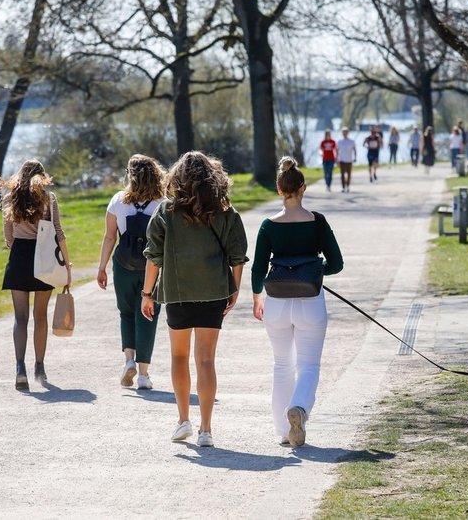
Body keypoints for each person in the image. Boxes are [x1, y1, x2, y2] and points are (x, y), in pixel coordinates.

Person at [141, 151, 248, 448]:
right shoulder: (226, 212)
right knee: (206, 360)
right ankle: (206, 429)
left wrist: (147, 293)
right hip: (214, 291)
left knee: (178, 357)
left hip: (177, 293)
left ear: (177, 178)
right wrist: (234, 290)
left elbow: (154, 258)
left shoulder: (165, 212)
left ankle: (183, 420)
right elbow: (238, 257)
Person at [251, 156, 343, 447]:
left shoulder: (268, 225)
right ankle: (300, 410)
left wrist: (256, 297)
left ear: (280, 190)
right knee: (309, 365)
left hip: (276, 301)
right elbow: (337, 263)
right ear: (303, 188)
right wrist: (314, 273)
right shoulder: (317, 222)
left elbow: (257, 268)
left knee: (281, 364)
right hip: (310, 301)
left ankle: (282, 431)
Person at [0, 159, 72, 391]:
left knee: (20, 318)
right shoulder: (48, 199)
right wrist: (67, 264)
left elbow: (8, 235)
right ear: (42, 175)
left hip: (19, 256)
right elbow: (58, 231)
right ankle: (39, 365)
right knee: (40, 316)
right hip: (44, 259)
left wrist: (15, 247)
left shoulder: (10, 198)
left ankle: (20, 368)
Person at [97, 154, 166, 390]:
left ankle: (129, 360)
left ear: (130, 175)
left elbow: (109, 237)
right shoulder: (163, 203)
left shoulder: (118, 200)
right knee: (149, 316)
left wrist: (102, 267)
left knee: (126, 313)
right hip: (153, 268)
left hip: (123, 265)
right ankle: (144, 374)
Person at [336, 127, 356, 192]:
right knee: (342, 175)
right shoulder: (339, 141)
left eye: (346, 132)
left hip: (349, 160)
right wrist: (337, 159)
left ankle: (347, 186)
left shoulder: (351, 141)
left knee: (349, 175)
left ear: (348, 133)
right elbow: (337, 150)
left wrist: (355, 157)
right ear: (342, 133)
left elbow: (354, 150)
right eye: (343, 132)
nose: (345, 133)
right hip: (342, 160)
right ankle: (343, 187)